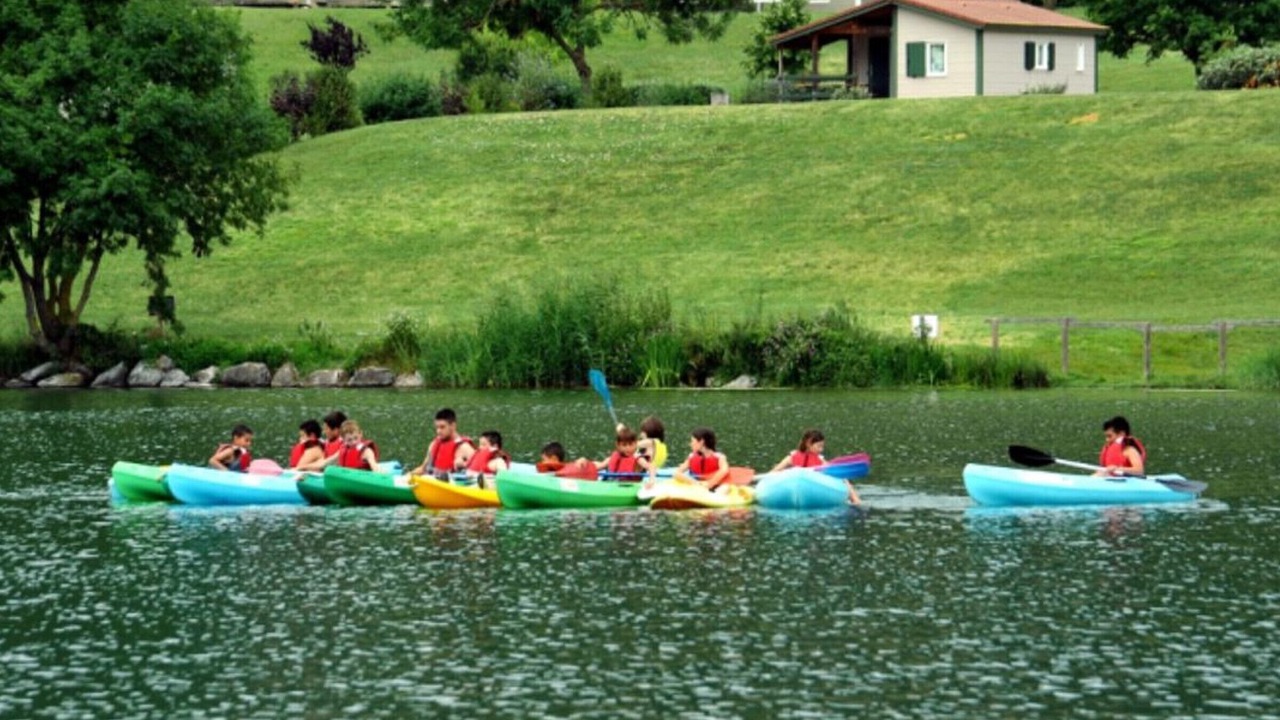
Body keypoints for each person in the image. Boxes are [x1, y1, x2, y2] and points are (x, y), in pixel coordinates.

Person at [409, 408, 475, 479]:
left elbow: (481, 473)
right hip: (431, 484)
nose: (438, 431)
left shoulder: (465, 447)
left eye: (442, 427)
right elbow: (423, 469)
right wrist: (407, 476)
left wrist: (464, 465)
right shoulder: (434, 444)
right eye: (437, 427)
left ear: (453, 426)